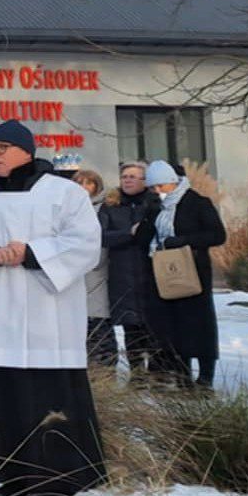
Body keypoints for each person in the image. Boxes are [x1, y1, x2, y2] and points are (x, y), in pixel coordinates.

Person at [0, 120, 106, 496]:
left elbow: (85, 243)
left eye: (2, 146)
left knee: (50, 396)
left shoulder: (64, 193)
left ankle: (59, 480)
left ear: (26, 150)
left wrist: (30, 253)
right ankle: (14, 475)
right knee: (3, 395)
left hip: (49, 312)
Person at [132, 159, 225, 390]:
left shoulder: (196, 203)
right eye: (153, 188)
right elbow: (141, 240)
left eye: (161, 187)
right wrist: (149, 216)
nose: (157, 192)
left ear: (172, 182)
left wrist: (184, 240)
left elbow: (217, 234)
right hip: (163, 270)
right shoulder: (156, 208)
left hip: (192, 270)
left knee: (199, 324)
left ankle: (205, 378)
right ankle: (182, 375)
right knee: (172, 326)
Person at [99, 162, 156, 382]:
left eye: (133, 176)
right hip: (122, 273)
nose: (128, 180)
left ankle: (155, 371)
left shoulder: (154, 204)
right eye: (124, 176)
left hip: (150, 272)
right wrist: (129, 233)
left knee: (152, 326)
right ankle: (137, 374)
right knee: (130, 327)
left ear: (145, 181)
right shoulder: (111, 206)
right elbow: (102, 236)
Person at [72, 168, 118, 367]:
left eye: (88, 183)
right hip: (74, 272)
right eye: (79, 182)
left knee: (99, 321)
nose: (84, 187)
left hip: (97, 270)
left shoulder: (105, 208)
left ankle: (105, 365)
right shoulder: (69, 207)